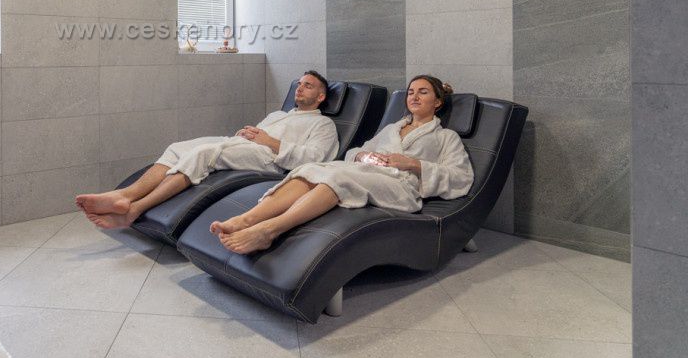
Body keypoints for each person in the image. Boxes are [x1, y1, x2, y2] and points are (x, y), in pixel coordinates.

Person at [210, 74, 472, 254]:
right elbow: (357, 151)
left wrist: (414, 164)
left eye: (423, 92)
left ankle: (269, 230)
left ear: (438, 102)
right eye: (411, 92)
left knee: (337, 178)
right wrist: (362, 156)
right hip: (368, 172)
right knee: (309, 169)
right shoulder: (392, 128)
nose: (414, 96)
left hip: (401, 186)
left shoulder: (445, 137)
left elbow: (461, 176)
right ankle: (246, 219)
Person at [76, 71, 339, 229]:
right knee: (178, 148)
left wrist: (270, 142)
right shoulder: (277, 115)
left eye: (308, 85)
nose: (300, 88)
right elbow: (258, 135)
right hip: (243, 145)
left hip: (272, 160)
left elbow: (315, 159)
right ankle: (125, 195)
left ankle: (135, 208)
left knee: (204, 154)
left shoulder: (323, 124)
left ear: (321, 97)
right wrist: (246, 134)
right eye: (299, 83)